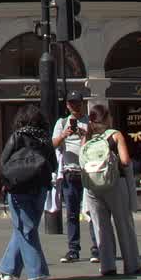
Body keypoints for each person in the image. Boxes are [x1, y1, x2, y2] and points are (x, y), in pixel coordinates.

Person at [0, 105, 56, 280]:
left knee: (24, 229)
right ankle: (9, 270)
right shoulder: (45, 139)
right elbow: (53, 163)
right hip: (40, 187)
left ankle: (35, 272)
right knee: (27, 229)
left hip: (17, 186)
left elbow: (3, 162)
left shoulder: (18, 136)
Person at [85, 103, 141, 277]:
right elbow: (125, 161)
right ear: (108, 118)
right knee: (124, 224)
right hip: (114, 183)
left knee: (100, 227)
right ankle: (131, 264)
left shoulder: (87, 138)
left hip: (92, 186)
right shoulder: (115, 135)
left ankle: (107, 265)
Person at [50, 95, 91, 263]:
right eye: (72, 103)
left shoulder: (89, 122)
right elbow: (52, 143)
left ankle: (97, 248)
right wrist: (64, 135)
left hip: (87, 172)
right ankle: (73, 249)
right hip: (69, 171)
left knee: (92, 212)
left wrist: (85, 134)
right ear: (67, 105)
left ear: (82, 104)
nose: (75, 106)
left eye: (78, 103)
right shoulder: (61, 123)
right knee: (72, 214)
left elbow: (97, 142)